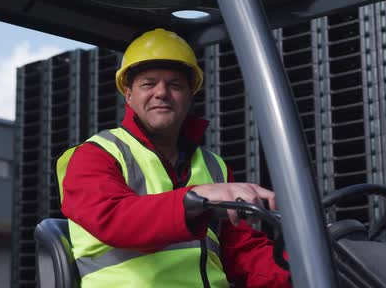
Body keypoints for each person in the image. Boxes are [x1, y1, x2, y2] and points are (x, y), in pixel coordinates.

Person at [56, 28, 292, 287]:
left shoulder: (215, 167)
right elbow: (114, 219)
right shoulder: (94, 155)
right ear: (128, 93)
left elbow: (242, 253)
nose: (161, 92)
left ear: (190, 95)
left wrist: (307, 263)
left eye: (174, 85)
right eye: (149, 83)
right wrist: (195, 198)